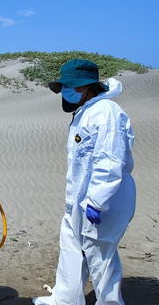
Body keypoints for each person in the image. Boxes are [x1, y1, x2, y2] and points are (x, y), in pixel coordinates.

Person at [34, 59, 136, 305]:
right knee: (71, 248)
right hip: (77, 200)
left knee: (101, 256)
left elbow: (110, 161)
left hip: (103, 202)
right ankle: (65, 300)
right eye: (65, 86)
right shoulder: (84, 112)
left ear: (89, 87)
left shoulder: (106, 112)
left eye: (73, 86)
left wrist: (96, 202)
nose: (67, 91)